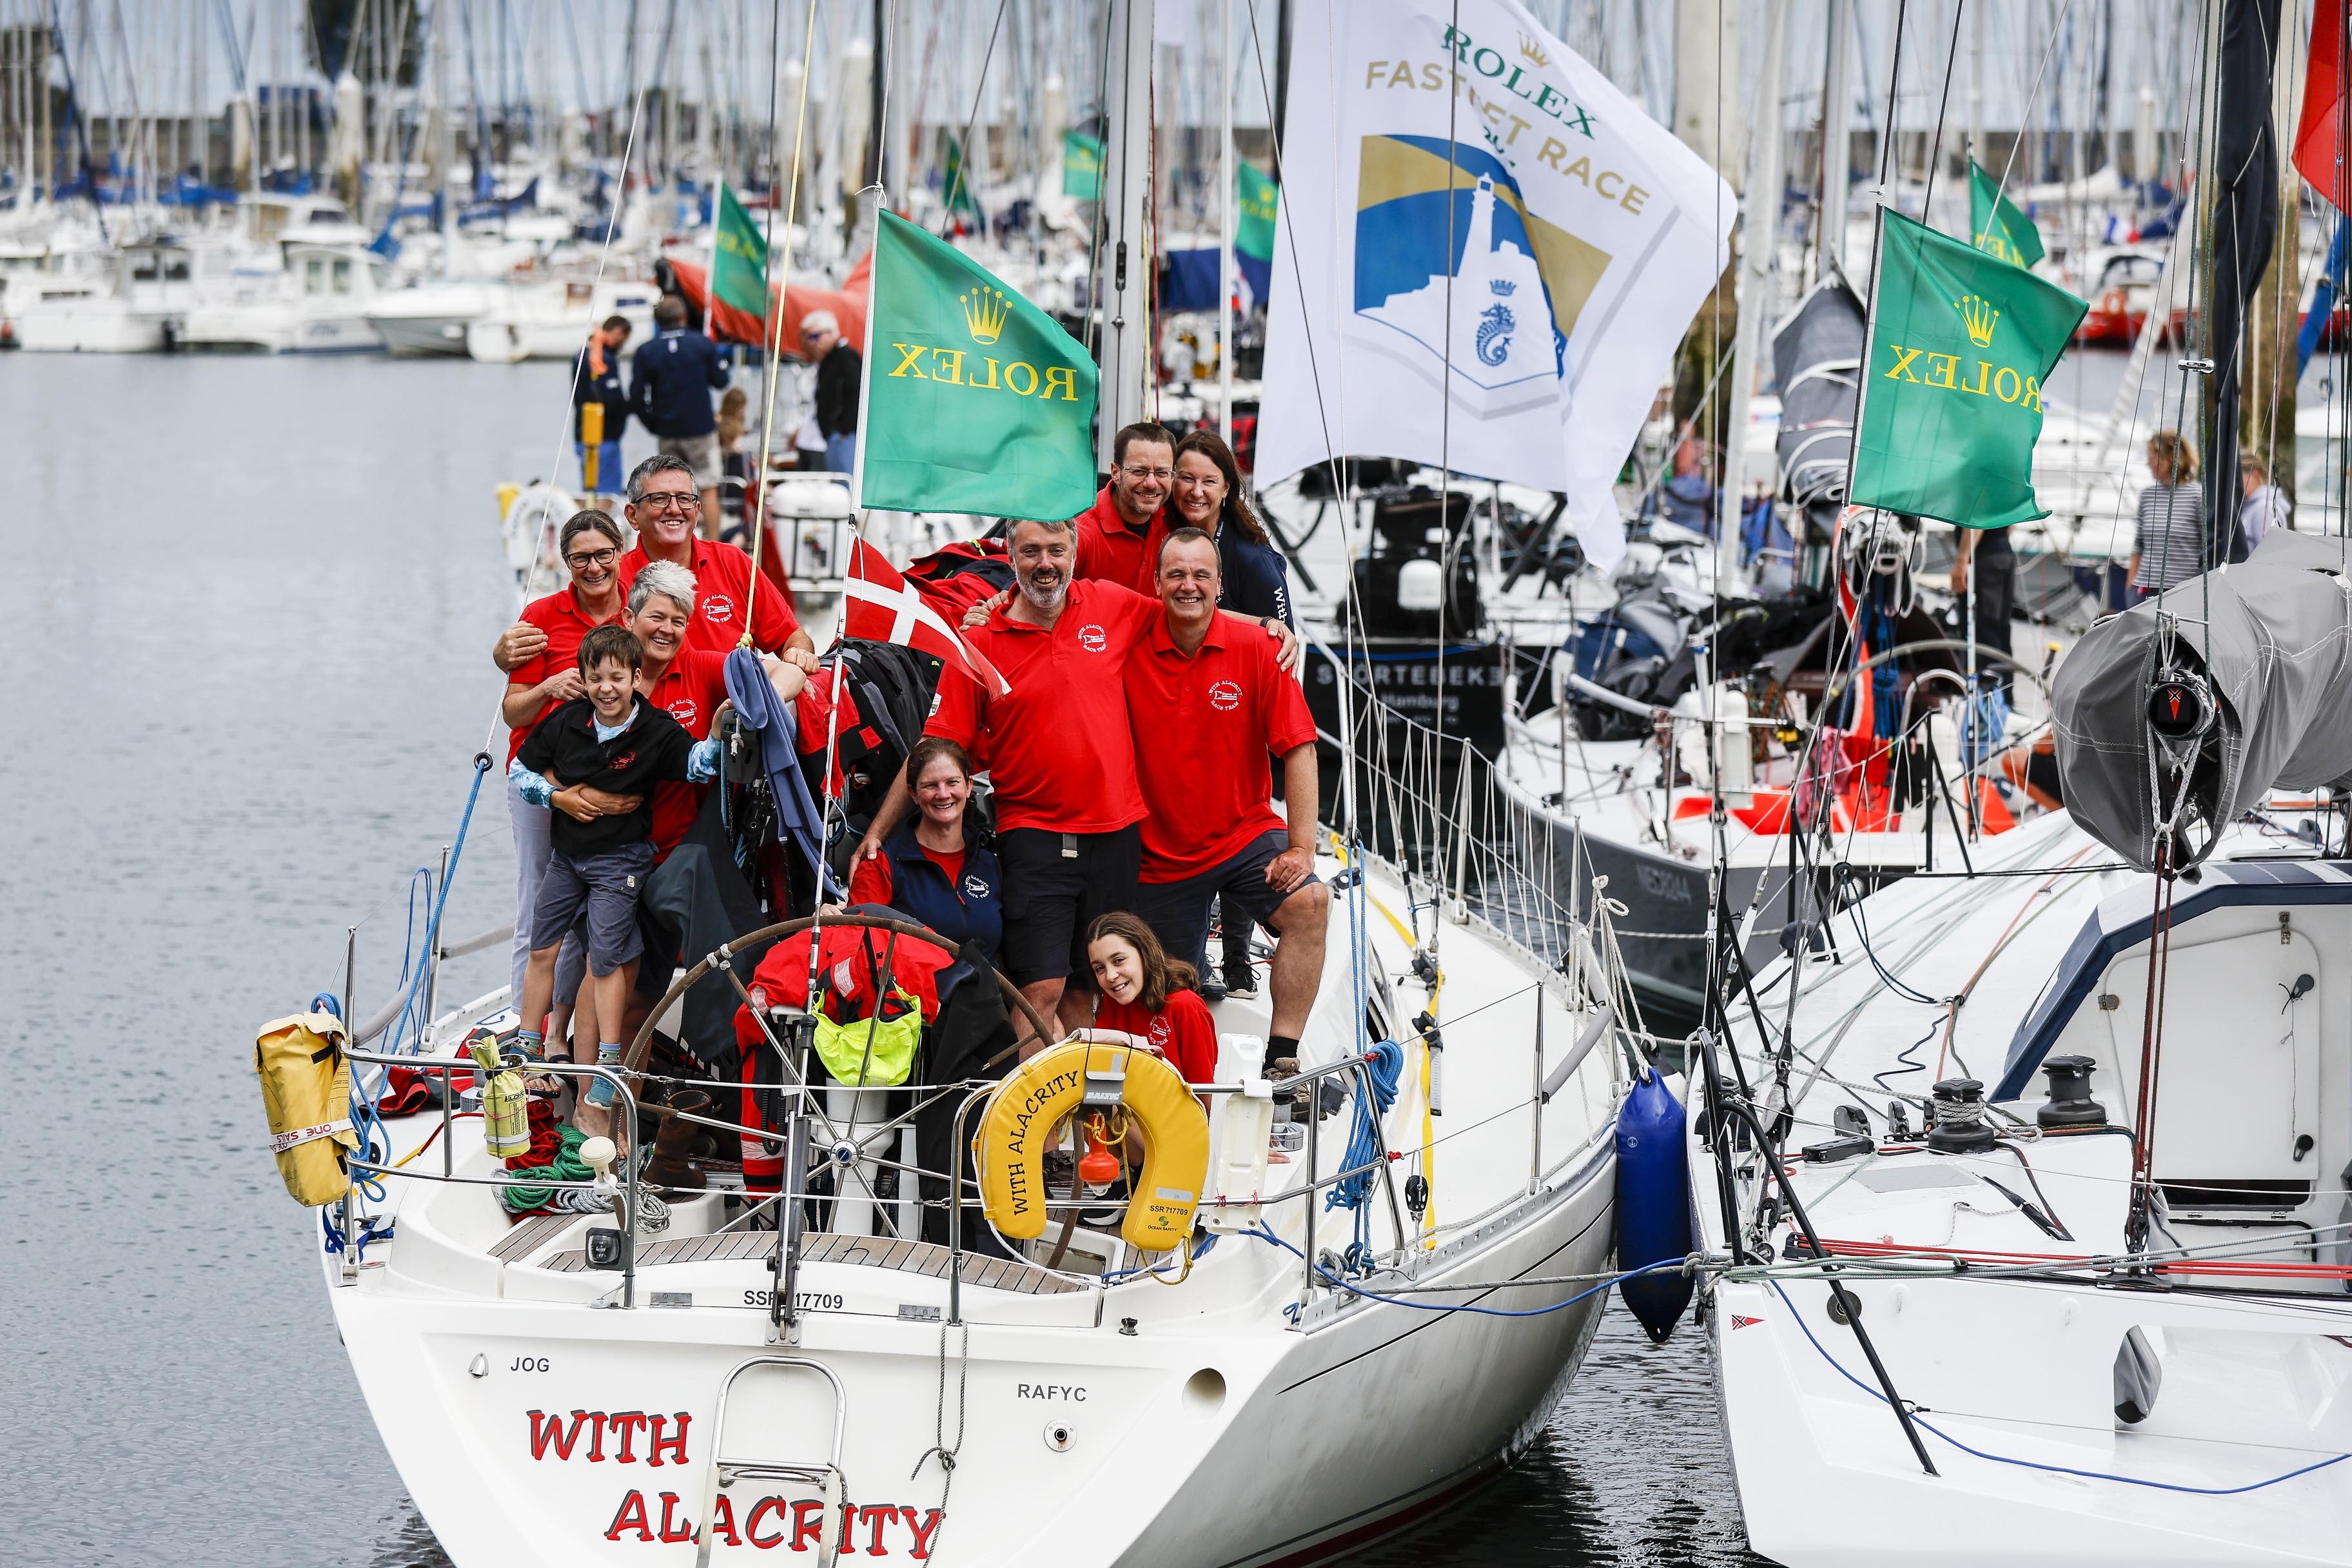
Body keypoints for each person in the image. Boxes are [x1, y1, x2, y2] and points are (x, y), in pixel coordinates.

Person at [859, 513, 1299, 1041]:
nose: (1044, 564)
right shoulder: (980, 642)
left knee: (1091, 991)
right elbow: (937, 750)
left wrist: (1269, 628)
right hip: (1035, 839)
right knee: (1038, 989)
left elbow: (1189, 611)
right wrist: (879, 831)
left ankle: (1083, 1117)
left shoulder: (1110, 604)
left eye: (1055, 551)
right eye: (1030, 553)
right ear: (1011, 559)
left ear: (1072, 554)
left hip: (1116, 839)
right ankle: (1028, 1123)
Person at [1127, 528, 1328, 1075]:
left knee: (1311, 905)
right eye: (1176, 575)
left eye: (1201, 575)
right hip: (1159, 854)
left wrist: (1302, 849)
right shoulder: (1128, 639)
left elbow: (1300, 749)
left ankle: (1283, 1056)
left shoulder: (1260, 650)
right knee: (1173, 995)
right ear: (1156, 583)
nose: (1188, 585)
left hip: (1243, 835)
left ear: (1219, 586)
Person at [509, 624, 724, 1134]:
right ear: (584, 679)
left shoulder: (655, 729)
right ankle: (527, 1045)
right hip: (567, 859)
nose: (607, 688)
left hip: (620, 864)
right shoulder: (566, 722)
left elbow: (697, 766)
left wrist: (715, 734)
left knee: (605, 960)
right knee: (544, 949)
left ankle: (608, 1063)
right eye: (597, 678)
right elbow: (520, 770)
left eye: (618, 678)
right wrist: (557, 798)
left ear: (635, 678)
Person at [499, 512, 632, 1030]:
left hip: (609, 781)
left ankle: (569, 1023)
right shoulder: (539, 616)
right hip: (539, 781)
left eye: (603, 555)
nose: (594, 567)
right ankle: (520, 1017)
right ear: (565, 561)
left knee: (595, 901)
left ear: (621, 551)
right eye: (581, 558)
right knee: (538, 896)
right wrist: (548, 688)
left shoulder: (638, 613)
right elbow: (513, 712)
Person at [630, 294, 730, 540]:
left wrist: (652, 424)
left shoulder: (646, 351)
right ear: (683, 316)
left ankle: (670, 542)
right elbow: (721, 381)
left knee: (668, 492)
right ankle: (713, 545)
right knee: (708, 488)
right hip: (701, 431)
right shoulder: (702, 344)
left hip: (667, 431)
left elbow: (635, 396)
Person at [1084, 913, 1219, 1088]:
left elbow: (1202, 1090)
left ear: (1144, 953)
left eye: (1119, 960)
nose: (1110, 976)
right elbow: (1108, 1068)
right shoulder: (1113, 1002)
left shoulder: (1186, 1006)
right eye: (1100, 968)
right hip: (1124, 1110)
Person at [1072, 422, 1175, 586]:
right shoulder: (1079, 533)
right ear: (1115, 473)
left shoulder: (1177, 520)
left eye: (1162, 472)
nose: (1151, 483)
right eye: (1139, 471)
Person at [2132, 430, 2206, 599]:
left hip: (2181, 593)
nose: (2148, 464)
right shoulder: (2147, 496)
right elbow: (2139, 546)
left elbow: (2207, 546)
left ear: (2169, 459)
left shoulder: (2198, 496)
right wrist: (2130, 588)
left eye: (2152, 458)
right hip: (2144, 591)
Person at [571, 315, 632, 509]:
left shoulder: (580, 355)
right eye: (624, 339)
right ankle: (597, 535)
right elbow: (613, 401)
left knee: (589, 490)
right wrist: (635, 406)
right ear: (618, 332)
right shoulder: (603, 359)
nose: (622, 345)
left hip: (584, 435)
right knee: (607, 494)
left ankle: (580, 530)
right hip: (604, 438)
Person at [1947, 521, 2015, 689]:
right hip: (2003, 552)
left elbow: (1976, 517)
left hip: (1983, 556)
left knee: (1982, 628)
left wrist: (1962, 559)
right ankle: (2004, 694)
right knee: (2001, 629)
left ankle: (1987, 692)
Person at [801, 309, 861, 475]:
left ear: (830, 333)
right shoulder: (828, 360)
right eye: (808, 338)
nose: (811, 342)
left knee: (845, 484)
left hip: (844, 437)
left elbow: (856, 393)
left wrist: (844, 430)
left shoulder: (846, 357)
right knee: (838, 485)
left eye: (814, 336)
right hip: (834, 436)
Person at [2240, 451, 2291, 556]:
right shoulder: (2249, 506)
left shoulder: (2263, 510)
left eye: (2237, 477)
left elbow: (2268, 557)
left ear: (2254, 474)